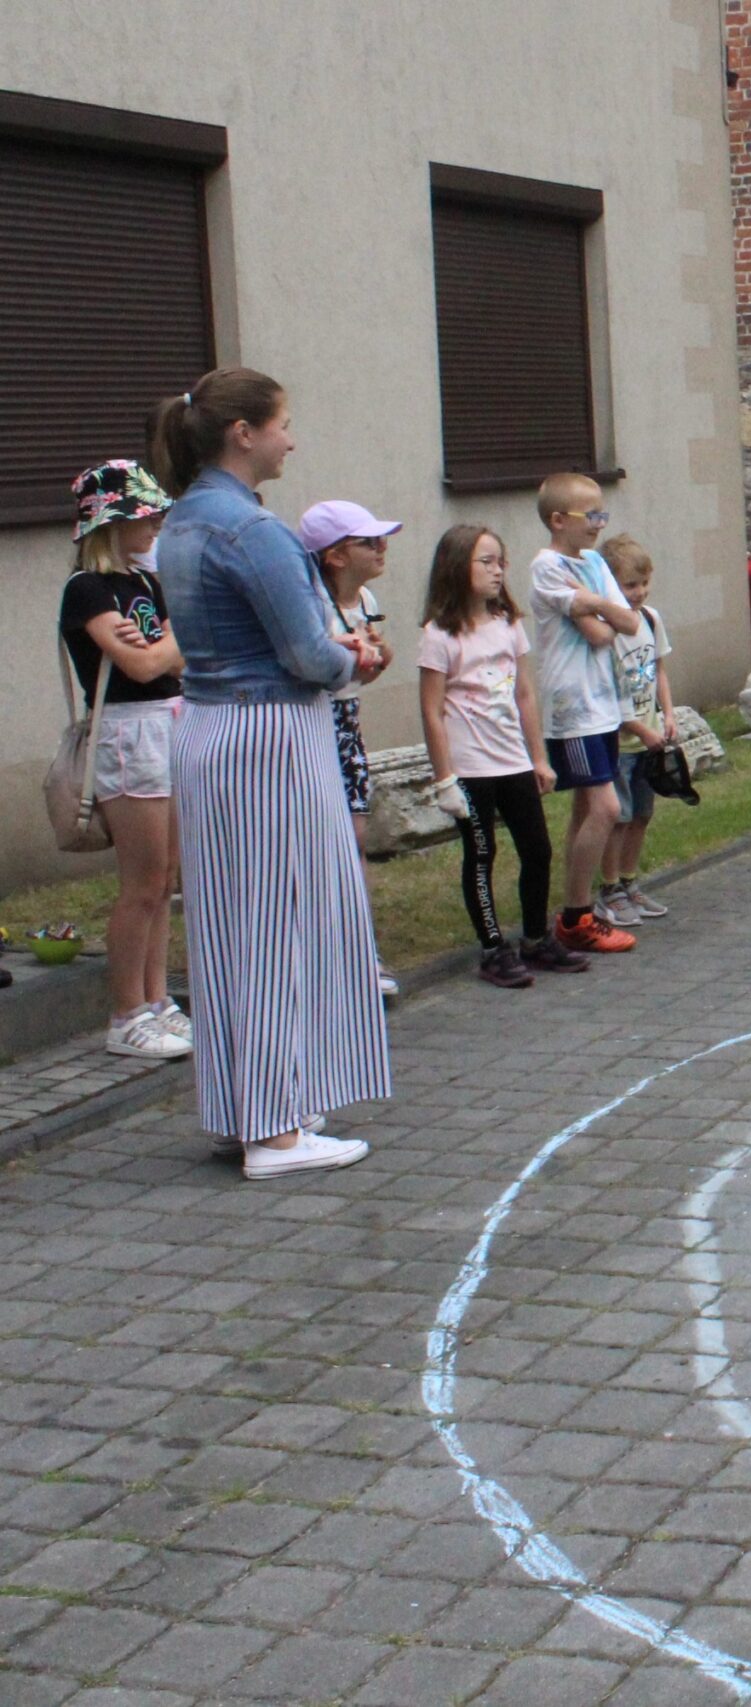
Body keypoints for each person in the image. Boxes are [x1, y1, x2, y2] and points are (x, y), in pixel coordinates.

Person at [147, 368, 385, 1179]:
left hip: (211, 728)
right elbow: (307, 653)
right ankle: (276, 1133)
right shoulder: (252, 528)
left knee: (231, 928)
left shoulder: (183, 520)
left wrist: (328, 654)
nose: (292, 439)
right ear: (242, 433)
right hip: (269, 735)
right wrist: (355, 658)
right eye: (282, 424)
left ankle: (248, 1105)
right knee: (280, 922)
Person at [57, 460, 189, 1061]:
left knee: (166, 880)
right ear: (111, 522)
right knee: (142, 882)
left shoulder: (144, 582)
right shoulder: (87, 589)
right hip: (128, 734)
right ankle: (126, 1013)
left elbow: (172, 658)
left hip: (168, 721)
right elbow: (141, 665)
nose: (157, 524)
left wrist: (165, 646)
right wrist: (170, 641)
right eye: (145, 514)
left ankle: (157, 1001)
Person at [418, 526, 583, 990]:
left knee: (537, 849)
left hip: (512, 761)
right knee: (481, 853)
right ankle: (492, 948)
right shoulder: (439, 635)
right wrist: (445, 778)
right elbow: (431, 710)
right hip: (470, 768)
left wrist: (539, 758)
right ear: (457, 567)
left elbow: (525, 694)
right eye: (486, 562)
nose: (497, 571)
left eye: (500, 562)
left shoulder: (508, 623)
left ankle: (535, 938)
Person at [527, 473, 644, 954]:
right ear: (558, 520)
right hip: (573, 708)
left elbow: (628, 622)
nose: (599, 524)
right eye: (590, 515)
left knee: (584, 809)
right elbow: (600, 632)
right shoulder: (546, 567)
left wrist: (592, 604)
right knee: (607, 808)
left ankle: (575, 908)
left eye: (603, 514)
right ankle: (577, 916)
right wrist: (598, 607)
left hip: (603, 706)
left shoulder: (594, 563)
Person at [298, 500, 403, 999]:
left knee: (356, 834)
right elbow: (314, 664)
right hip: (315, 722)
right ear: (335, 556)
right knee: (323, 840)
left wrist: (379, 655)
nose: (382, 548)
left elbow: (371, 664)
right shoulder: (311, 602)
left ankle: (361, 949)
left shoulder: (366, 597)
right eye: (369, 542)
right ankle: (322, 950)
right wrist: (349, 652)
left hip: (347, 720)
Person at [597, 533, 676, 928]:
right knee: (619, 817)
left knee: (642, 814)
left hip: (649, 737)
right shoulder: (605, 631)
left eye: (644, 583)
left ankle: (630, 881)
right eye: (630, 585)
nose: (639, 592)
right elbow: (607, 694)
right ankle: (609, 888)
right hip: (621, 742)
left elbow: (659, 670)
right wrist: (639, 730)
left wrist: (668, 714)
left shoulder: (650, 619)